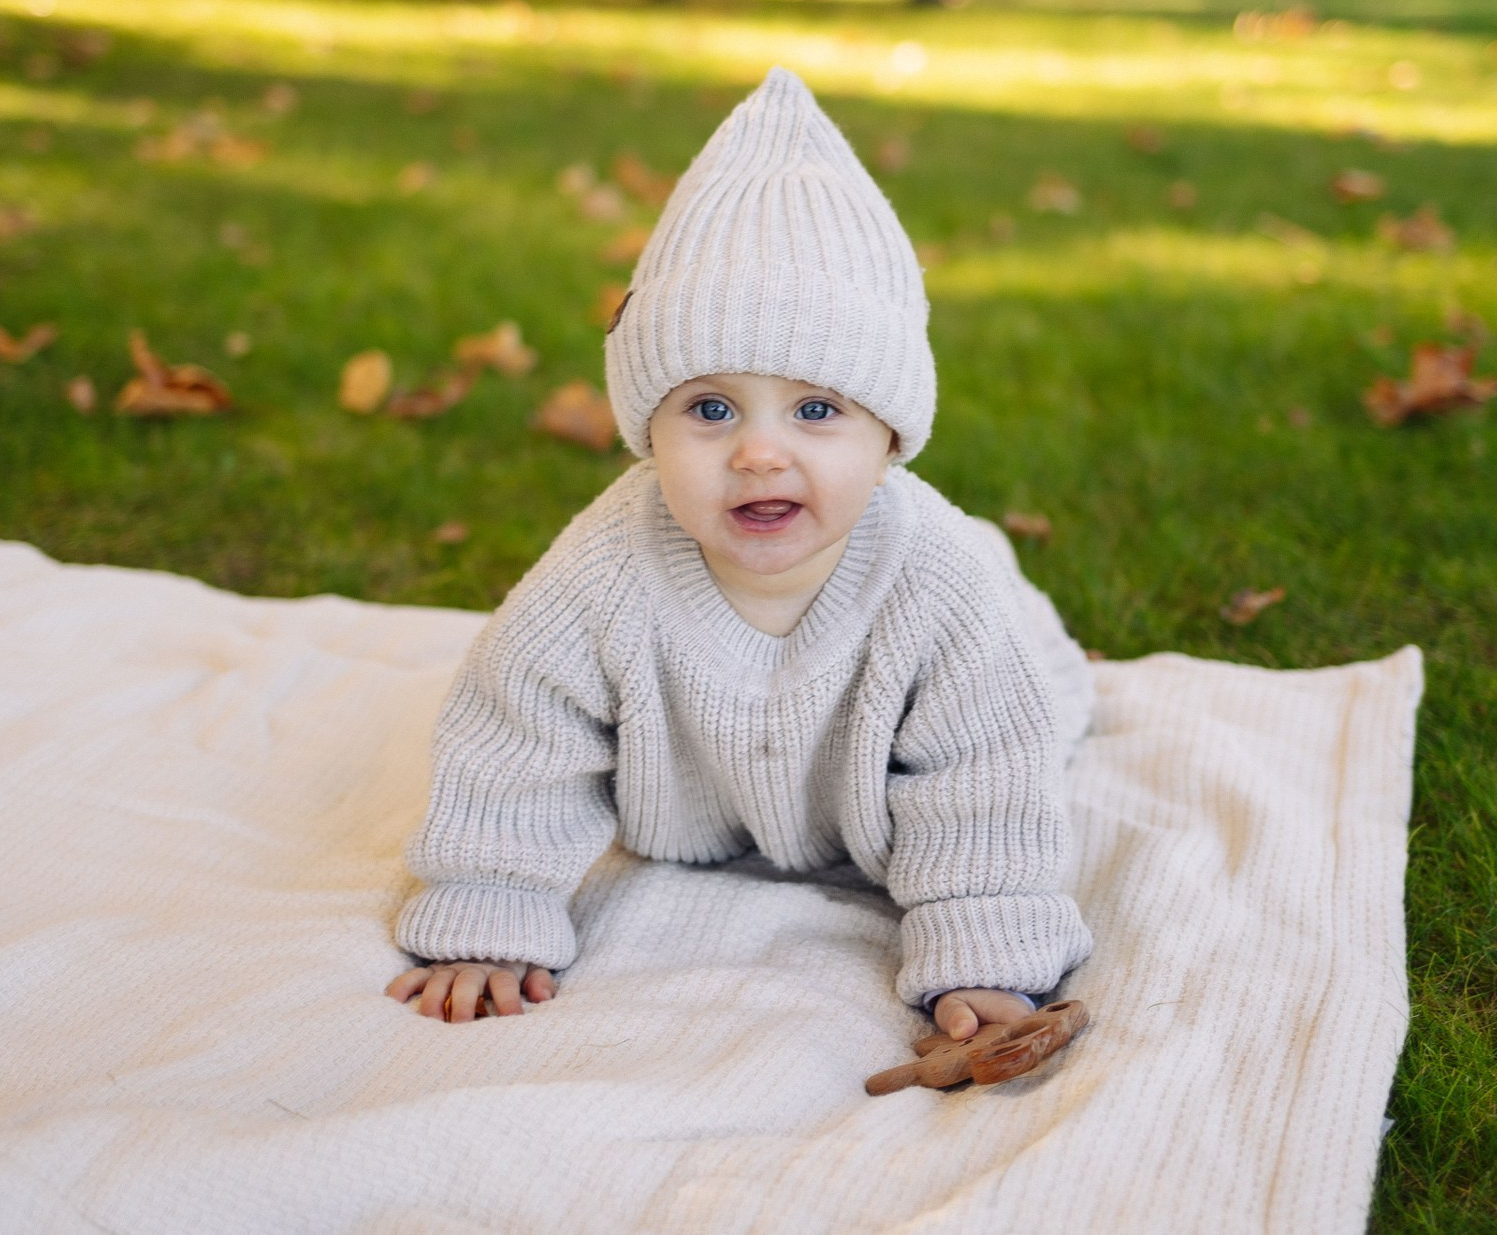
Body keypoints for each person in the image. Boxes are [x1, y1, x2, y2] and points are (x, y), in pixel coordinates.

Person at [385, 66, 1093, 1045]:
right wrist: (492, 909)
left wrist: (981, 945)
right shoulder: (602, 569)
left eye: (816, 410)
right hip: (695, 813)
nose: (760, 452)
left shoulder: (934, 584)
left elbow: (985, 778)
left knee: (1028, 698)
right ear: (646, 433)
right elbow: (517, 738)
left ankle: (1031, 617)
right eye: (709, 410)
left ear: (890, 437)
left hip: (945, 699)